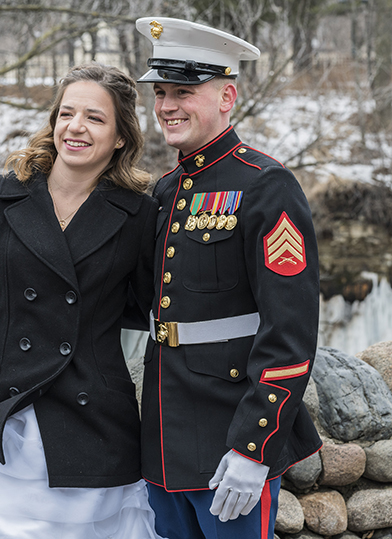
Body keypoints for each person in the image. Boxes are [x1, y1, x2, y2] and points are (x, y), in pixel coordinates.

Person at [0, 63, 164, 539]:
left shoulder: (140, 213)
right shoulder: (1, 196)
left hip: (94, 420)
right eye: (67, 113)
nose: (75, 127)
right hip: (5, 416)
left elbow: (145, 308)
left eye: (95, 118)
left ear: (121, 136)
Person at [135, 17, 323, 539]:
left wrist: (253, 447)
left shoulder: (267, 186)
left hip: (229, 436)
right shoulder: (165, 190)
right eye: (162, 92)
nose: (168, 105)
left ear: (227, 96)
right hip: (164, 437)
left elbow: (290, 331)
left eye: (185, 91)